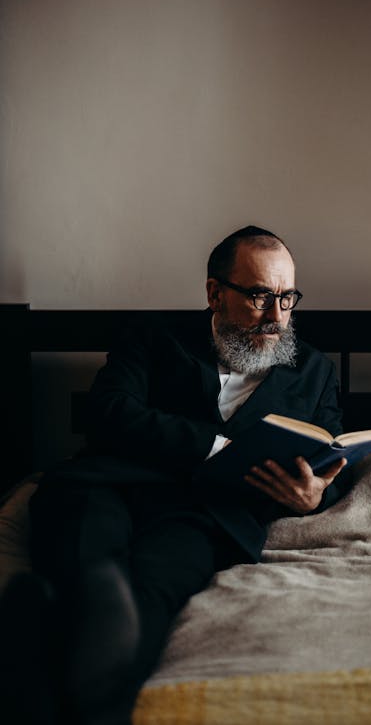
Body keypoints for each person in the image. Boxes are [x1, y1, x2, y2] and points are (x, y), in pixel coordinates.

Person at [0, 226, 348, 725]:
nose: (276, 317)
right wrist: (212, 446)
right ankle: (74, 663)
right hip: (107, 486)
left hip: (206, 516)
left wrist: (317, 491)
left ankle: (50, 672)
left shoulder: (314, 371)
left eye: (287, 298)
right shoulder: (153, 337)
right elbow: (107, 409)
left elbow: (331, 455)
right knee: (89, 564)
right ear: (214, 293)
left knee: (152, 590)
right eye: (258, 297)